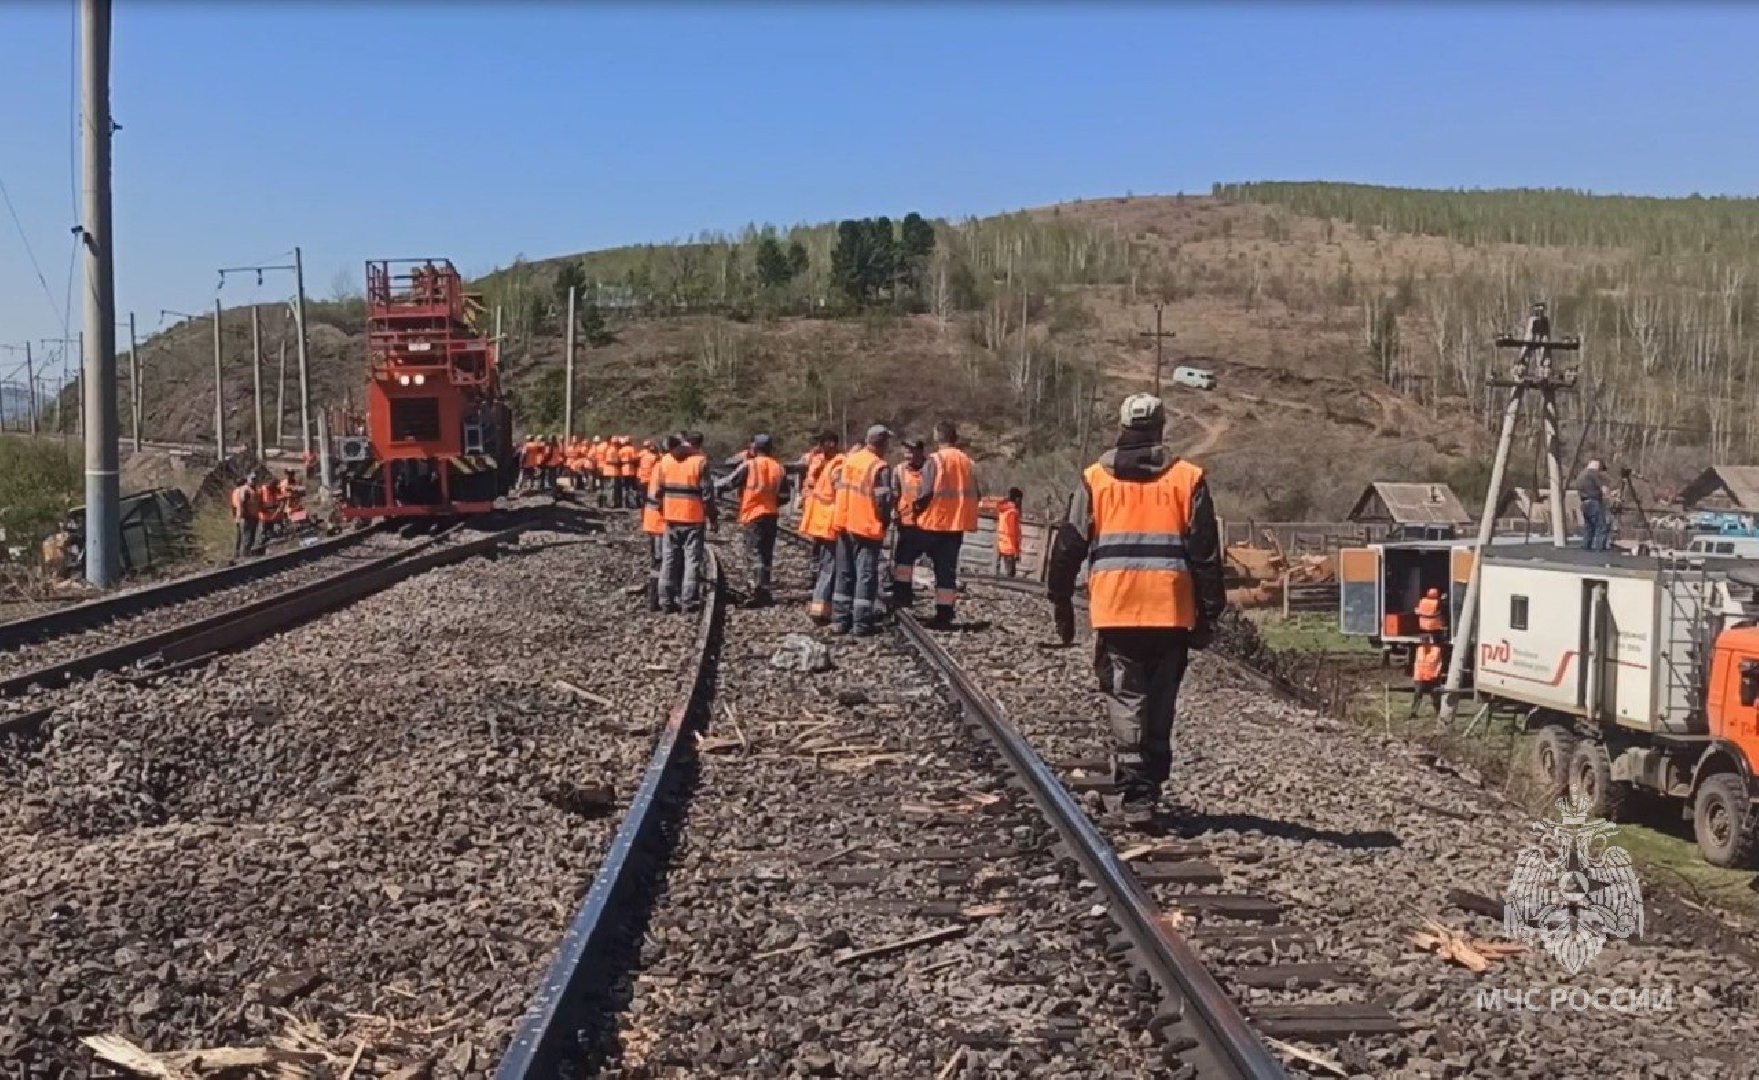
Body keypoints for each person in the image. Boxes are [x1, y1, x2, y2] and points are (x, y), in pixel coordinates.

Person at [1047, 393, 1227, 824]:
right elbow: (1205, 553)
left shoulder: (1095, 479)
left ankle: (1135, 790)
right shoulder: (1187, 478)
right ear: (1162, 427)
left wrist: (1060, 601)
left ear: (1122, 426)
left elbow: (1069, 543)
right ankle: (1152, 784)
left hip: (1116, 609)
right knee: (1162, 697)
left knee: (1127, 696)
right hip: (1171, 611)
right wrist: (1210, 613)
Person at [913, 420, 981, 628]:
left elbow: (925, 492)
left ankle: (902, 600)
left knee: (908, 557)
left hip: (934, 522)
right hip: (956, 525)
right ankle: (945, 613)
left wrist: (916, 508)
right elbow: (976, 494)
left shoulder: (936, 460)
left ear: (937, 437)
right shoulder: (968, 462)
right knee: (946, 571)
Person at [833, 426, 895, 636]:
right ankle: (861, 623)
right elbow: (883, 501)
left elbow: (837, 483)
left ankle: (840, 620)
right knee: (865, 576)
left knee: (844, 573)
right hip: (866, 526)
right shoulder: (880, 467)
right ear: (883, 443)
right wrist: (885, 522)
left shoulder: (851, 459)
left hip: (844, 522)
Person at [717, 434, 788, 607]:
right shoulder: (778, 467)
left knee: (754, 553)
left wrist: (710, 487)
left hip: (753, 514)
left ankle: (757, 591)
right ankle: (764, 588)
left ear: (755, 447)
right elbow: (785, 496)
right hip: (770, 514)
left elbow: (729, 483)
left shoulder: (750, 465)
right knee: (766, 554)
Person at [656, 431, 718, 613]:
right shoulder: (699, 462)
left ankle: (665, 601)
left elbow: (658, 491)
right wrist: (713, 518)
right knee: (692, 560)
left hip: (671, 517)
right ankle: (688, 601)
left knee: (669, 559)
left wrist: (663, 510)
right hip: (693, 517)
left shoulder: (665, 460)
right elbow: (707, 495)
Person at [799, 434, 845, 624]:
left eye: (822, 442)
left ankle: (822, 607)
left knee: (827, 566)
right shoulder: (829, 463)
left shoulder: (835, 464)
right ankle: (822, 608)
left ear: (831, 443)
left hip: (825, 522)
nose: (818, 446)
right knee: (828, 566)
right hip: (824, 522)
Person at [891, 437, 929, 606]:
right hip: (906, 524)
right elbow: (894, 494)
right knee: (903, 563)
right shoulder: (898, 470)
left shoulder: (930, 470)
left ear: (920, 452)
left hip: (928, 524)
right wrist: (893, 512)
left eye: (911, 450)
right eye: (905, 450)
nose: (907, 454)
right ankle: (902, 595)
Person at [641, 437, 673, 610]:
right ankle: (658, 599)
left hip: (654, 520)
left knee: (658, 561)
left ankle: (654, 598)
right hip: (660, 521)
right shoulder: (664, 466)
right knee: (662, 561)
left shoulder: (658, 466)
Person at [1577, 458, 1615, 552]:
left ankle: (1586, 549)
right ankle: (1600, 550)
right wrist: (1611, 495)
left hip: (1584, 503)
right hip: (1594, 502)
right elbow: (1603, 488)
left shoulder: (1581, 475)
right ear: (1597, 465)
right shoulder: (1592, 474)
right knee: (1601, 527)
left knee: (1589, 528)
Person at [1408, 636, 1447, 719]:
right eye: (1422, 642)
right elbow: (1417, 663)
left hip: (1433, 677)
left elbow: (1439, 663)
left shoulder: (1436, 650)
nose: (1423, 644)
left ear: (1429, 641)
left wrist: (1436, 674)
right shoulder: (1419, 650)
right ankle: (1413, 712)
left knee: (1435, 695)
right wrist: (1415, 676)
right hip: (1420, 676)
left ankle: (1439, 712)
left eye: (1425, 642)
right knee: (1417, 694)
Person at [996, 487, 1023, 578]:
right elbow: (1012, 533)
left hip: (1002, 544)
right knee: (1010, 576)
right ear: (1017, 499)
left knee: (1005, 574)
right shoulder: (1012, 512)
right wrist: (1016, 551)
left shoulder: (1004, 510)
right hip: (1010, 547)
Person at [231, 476, 260, 560]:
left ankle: (240, 554)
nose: (254, 481)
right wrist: (246, 514)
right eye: (252, 480)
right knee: (246, 536)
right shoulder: (246, 490)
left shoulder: (251, 490)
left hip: (248, 516)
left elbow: (233, 505)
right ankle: (244, 554)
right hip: (246, 517)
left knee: (244, 537)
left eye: (255, 479)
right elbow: (243, 503)